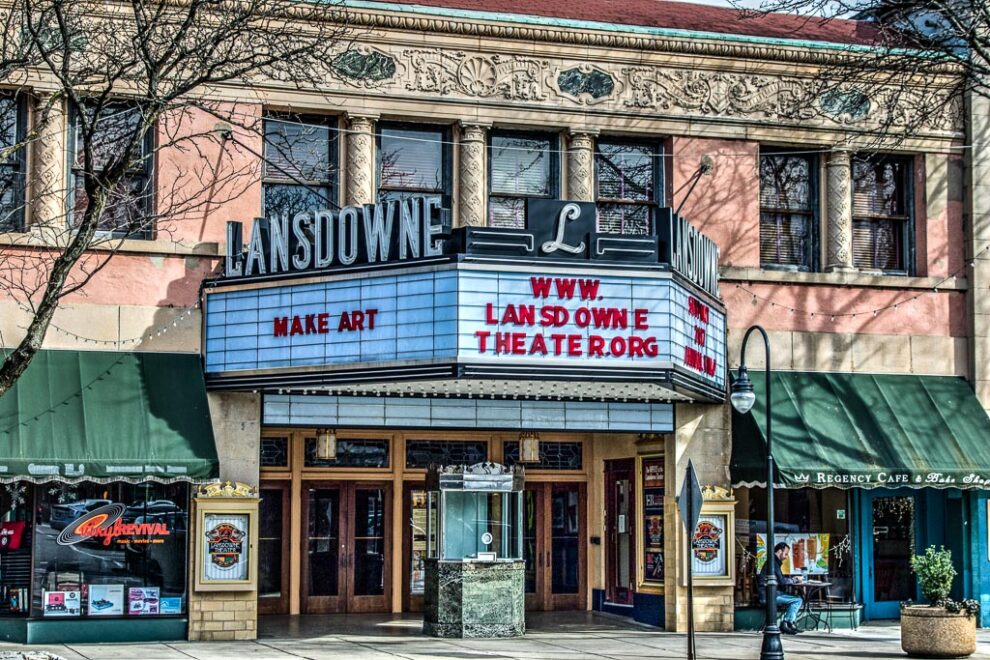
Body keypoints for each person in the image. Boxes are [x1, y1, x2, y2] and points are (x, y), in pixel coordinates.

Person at [758, 541, 804, 635]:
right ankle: (787, 623)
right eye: (786, 554)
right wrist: (795, 580)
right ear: (780, 551)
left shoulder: (773, 562)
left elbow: (780, 579)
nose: (786, 556)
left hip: (770, 594)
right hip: (770, 596)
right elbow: (782, 581)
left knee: (795, 598)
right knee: (797, 600)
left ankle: (788, 624)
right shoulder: (773, 563)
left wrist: (792, 579)